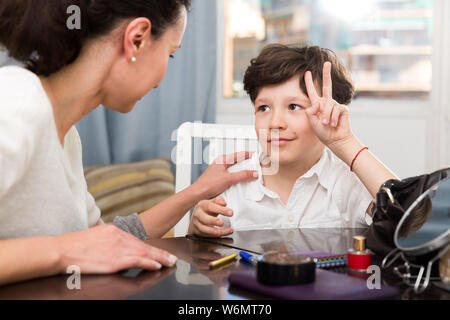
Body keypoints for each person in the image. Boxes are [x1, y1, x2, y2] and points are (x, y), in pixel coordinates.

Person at [0, 0, 259, 286]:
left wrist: (199, 190)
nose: (161, 80)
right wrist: (63, 252)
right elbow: (79, 248)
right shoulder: (15, 102)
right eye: (170, 55)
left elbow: (107, 240)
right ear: (137, 39)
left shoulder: (67, 136)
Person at [188, 44, 399, 237]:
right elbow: (198, 253)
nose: (275, 122)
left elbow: (411, 221)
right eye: (264, 108)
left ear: (330, 112)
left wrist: (345, 142)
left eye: (294, 107)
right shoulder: (231, 183)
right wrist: (197, 228)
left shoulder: (347, 182)